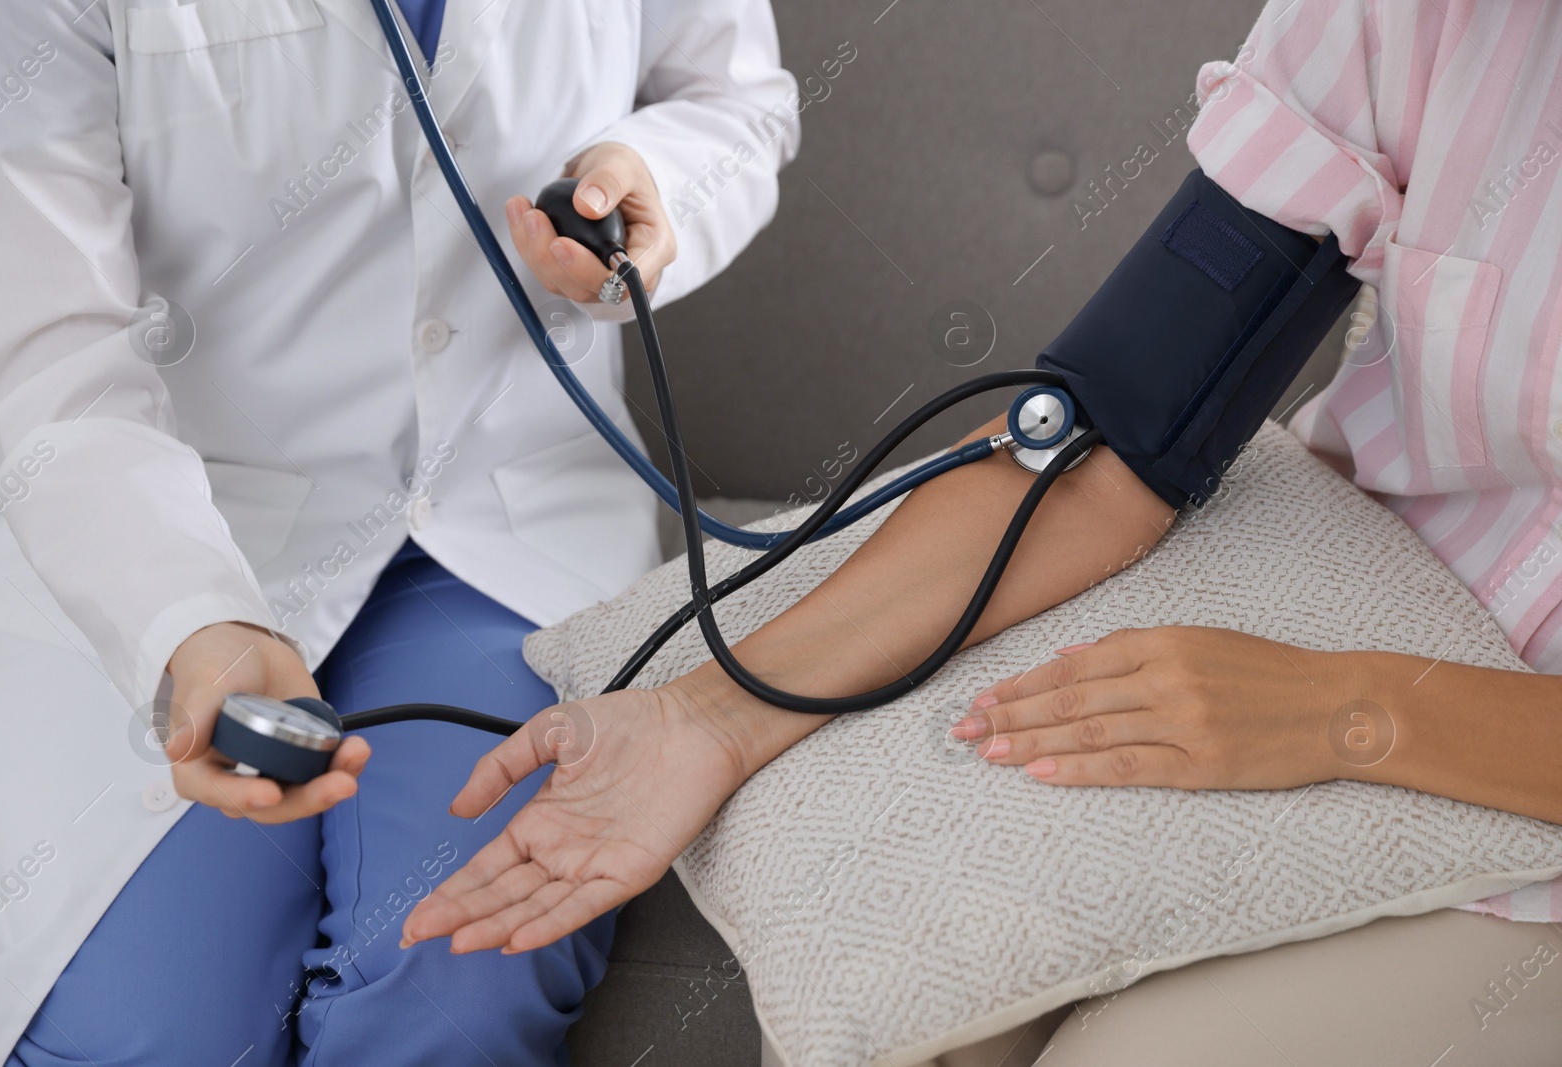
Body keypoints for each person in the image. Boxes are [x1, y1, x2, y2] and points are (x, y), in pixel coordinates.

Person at [399, 1, 1562, 1063]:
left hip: (1515, 784)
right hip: (1338, 590)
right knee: (902, 1015)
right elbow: (1117, 429)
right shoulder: (1424, 22)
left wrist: (1352, 711)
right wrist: (712, 715)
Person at [0, 1, 797, 1063]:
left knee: (459, 980)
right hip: (162, 534)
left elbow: (734, 97)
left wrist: (652, 183)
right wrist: (185, 614)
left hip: (513, 526)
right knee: (143, 1035)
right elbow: (46, 352)